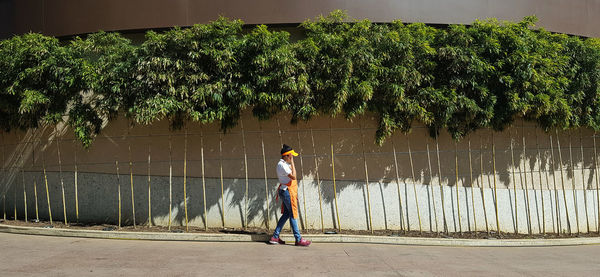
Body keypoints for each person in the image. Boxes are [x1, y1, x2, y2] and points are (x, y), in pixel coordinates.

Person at [269, 144, 311, 246]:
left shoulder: (283, 164)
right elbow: (294, 177)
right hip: (287, 192)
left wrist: (290, 162)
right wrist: (292, 162)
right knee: (293, 214)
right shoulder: (283, 165)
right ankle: (298, 239)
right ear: (287, 156)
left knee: (287, 214)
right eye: (291, 156)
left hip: (286, 191)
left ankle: (275, 236)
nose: (292, 158)